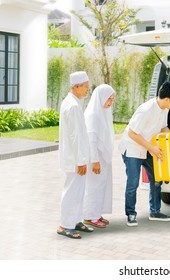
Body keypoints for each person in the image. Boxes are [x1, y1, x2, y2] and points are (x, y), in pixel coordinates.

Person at [118, 81, 170, 227]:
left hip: (147, 146)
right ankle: (131, 214)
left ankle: (155, 211)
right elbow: (132, 133)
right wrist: (152, 148)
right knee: (133, 182)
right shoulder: (146, 110)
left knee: (156, 178)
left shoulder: (165, 109)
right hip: (132, 147)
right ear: (167, 99)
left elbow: (163, 127)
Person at [57, 71, 94, 239]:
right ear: (77, 87)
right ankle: (65, 225)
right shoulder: (72, 106)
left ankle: (76, 220)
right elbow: (75, 136)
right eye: (86, 86)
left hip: (77, 158)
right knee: (72, 191)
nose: (88, 89)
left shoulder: (74, 103)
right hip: (74, 160)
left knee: (79, 191)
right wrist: (80, 161)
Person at [83, 84, 115, 228]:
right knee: (93, 187)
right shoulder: (93, 114)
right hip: (94, 159)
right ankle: (90, 216)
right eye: (109, 99)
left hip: (103, 159)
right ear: (101, 98)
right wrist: (95, 160)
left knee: (102, 186)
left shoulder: (103, 112)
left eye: (112, 99)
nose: (110, 102)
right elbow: (91, 139)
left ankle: (97, 213)